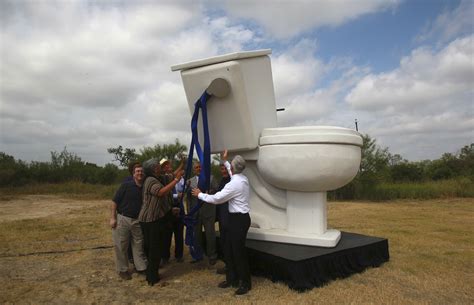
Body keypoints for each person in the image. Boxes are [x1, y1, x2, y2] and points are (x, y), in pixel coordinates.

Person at [191, 150, 251, 295]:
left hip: (238, 220)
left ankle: (245, 283)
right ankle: (232, 279)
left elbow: (217, 198)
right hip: (237, 219)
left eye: (230, 165)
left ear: (234, 168)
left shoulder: (234, 184)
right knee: (229, 251)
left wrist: (200, 194)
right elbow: (231, 172)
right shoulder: (242, 178)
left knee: (238, 253)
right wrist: (224, 160)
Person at [139, 158, 184, 286]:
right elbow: (160, 192)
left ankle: (152, 274)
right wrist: (176, 180)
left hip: (156, 219)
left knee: (155, 247)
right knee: (153, 249)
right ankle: (152, 277)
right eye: (158, 165)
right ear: (154, 168)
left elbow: (173, 175)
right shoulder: (150, 180)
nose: (160, 166)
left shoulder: (160, 178)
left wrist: (182, 165)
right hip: (149, 220)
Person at [110, 163, 148, 280]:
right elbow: (114, 202)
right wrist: (113, 218)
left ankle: (141, 267)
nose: (140, 173)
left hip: (137, 220)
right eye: (137, 171)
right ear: (133, 173)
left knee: (138, 244)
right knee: (121, 245)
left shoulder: (145, 187)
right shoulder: (126, 186)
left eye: (141, 171)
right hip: (123, 218)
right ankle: (123, 269)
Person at [187, 162, 218, 265]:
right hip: (195, 213)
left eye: (200, 167)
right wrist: (189, 212)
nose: (198, 168)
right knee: (197, 236)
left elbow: (217, 191)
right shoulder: (190, 182)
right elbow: (189, 199)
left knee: (210, 235)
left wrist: (208, 192)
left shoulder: (211, 178)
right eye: (196, 167)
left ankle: (212, 255)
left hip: (208, 211)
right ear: (193, 170)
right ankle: (198, 255)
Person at [159, 158, 184, 264]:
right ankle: (165, 256)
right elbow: (165, 192)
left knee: (179, 233)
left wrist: (183, 163)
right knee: (167, 234)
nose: (167, 166)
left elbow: (183, 188)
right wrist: (176, 195)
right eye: (165, 165)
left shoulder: (179, 177)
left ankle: (179, 255)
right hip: (168, 208)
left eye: (168, 164)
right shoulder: (161, 179)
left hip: (180, 207)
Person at [215, 161, 231, 274]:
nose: (223, 171)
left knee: (229, 243)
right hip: (222, 216)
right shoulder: (222, 181)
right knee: (224, 242)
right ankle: (228, 265)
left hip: (229, 217)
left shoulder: (231, 182)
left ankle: (230, 267)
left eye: (225, 169)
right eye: (222, 169)